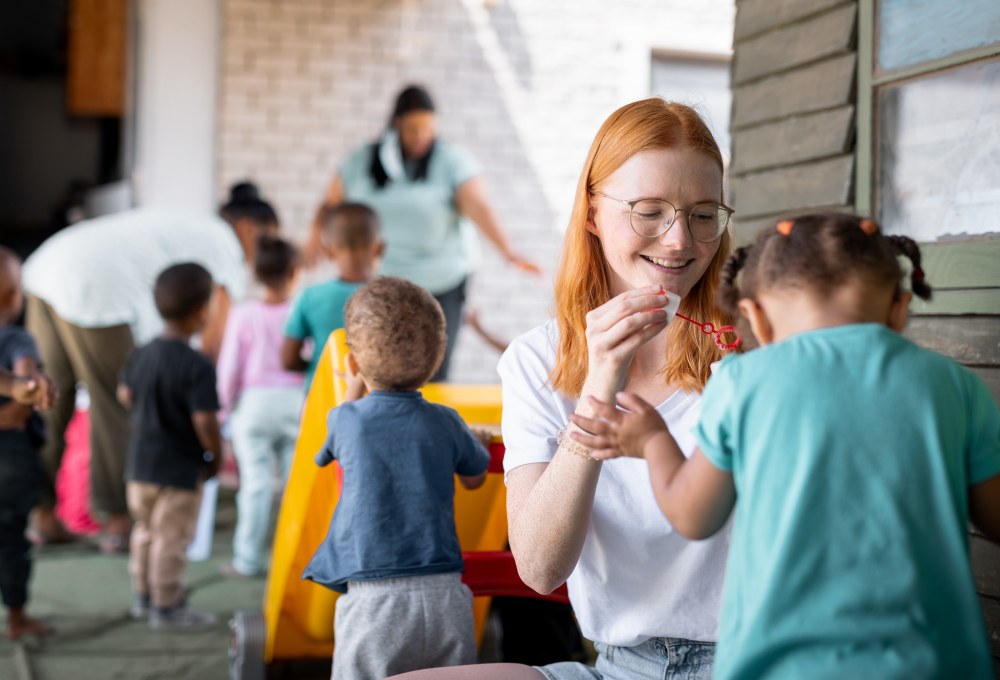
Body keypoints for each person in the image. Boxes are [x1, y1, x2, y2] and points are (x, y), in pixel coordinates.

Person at [570, 212, 1000, 679]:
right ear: (900, 308)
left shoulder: (743, 382)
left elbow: (694, 515)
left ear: (756, 317)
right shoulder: (954, 385)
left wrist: (654, 441)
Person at [393, 98, 738, 680]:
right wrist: (600, 385)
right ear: (592, 213)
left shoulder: (751, 351)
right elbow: (539, 568)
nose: (679, 240)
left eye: (703, 214)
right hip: (620, 668)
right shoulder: (536, 361)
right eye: (649, 211)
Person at [22, 182, 279, 553]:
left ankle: (42, 517)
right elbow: (214, 339)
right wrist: (207, 398)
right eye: (265, 239)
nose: (262, 253)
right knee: (116, 404)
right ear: (248, 228)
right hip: (94, 281)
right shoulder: (226, 243)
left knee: (50, 399)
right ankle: (119, 523)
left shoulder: (194, 225)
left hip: (46, 265)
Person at [302, 276, 492, 679]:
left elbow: (329, 453)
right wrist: (477, 440)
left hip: (374, 598)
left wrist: (354, 380)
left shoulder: (346, 420)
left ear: (353, 365)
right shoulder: (447, 421)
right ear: (436, 361)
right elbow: (475, 479)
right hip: (444, 591)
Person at [307, 84, 541, 381]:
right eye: (413, 129)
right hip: (387, 283)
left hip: (443, 282)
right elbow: (330, 205)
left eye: (428, 128)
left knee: (433, 367)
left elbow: (479, 207)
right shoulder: (361, 160)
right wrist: (314, 240)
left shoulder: (451, 161)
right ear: (396, 125)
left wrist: (507, 250)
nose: (421, 136)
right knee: (386, 366)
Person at [117, 263, 223, 631]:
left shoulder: (141, 353)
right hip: (178, 468)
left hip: (139, 465)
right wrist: (215, 455)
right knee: (172, 538)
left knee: (144, 531)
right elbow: (205, 421)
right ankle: (167, 604)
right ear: (201, 311)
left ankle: (144, 596)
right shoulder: (197, 365)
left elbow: (125, 394)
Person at [216, 236, 304, 577]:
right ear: (295, 272)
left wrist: (225, 409)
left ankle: (247, 560)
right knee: (298, 487)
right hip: (295, 404)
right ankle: (298, 560)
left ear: (255, 274)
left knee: (255, 486)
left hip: (253, 407)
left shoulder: (243, 313)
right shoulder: (299, 308)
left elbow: (229, 370)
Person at [0, 247, 55, 640]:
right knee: (11, 539)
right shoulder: (17, 336)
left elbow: (24, 378)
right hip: (10, 458)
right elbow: (27, 373)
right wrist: (25, 392)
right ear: (14, 295)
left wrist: (23, 388)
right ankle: (17, 618)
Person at [281, 203, 383, 389]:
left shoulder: (310, 296)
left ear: (327, 251)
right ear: (380, 248)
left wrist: (318, 366)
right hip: (375, 399)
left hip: (322, 396)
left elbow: (288, 360)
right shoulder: (390, 297)